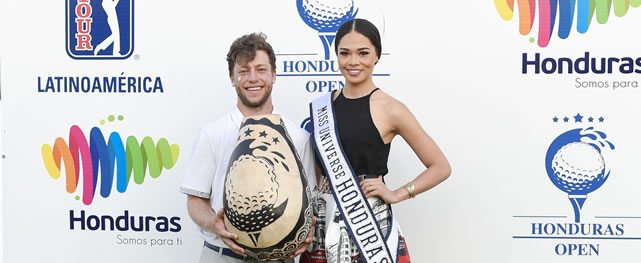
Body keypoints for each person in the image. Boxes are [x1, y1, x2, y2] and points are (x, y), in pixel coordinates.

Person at [304, 19, 451, 263]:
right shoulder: (323, 107)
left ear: (377, 56)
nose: (353, 62)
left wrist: (398, 193)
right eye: (345, 53)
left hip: (369, 224)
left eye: (363, 53)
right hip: (324, 220)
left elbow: (440, 166)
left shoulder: (391, 109)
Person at [180, 33, 317, 263]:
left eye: (261, 69)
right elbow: (195, 200)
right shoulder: (212, 133)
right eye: (243, 71)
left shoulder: (299, 137)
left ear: (274, 74)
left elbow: (309, 202)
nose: (253, 78)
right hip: (222, 256)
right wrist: (213, 223)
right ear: (232, 78)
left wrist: (308, 229)